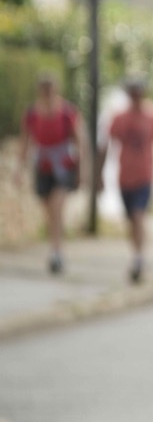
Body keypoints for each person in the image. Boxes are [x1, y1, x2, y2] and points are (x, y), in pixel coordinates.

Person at [98, 77, 153, 284]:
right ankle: (136, 254)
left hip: (145, 175)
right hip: (124, 177)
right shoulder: (119, 118)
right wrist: (99, 175)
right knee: (131, 220)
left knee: (139, 216)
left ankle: (139, 259)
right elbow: (106, 145)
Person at [17, 73, 84, 275]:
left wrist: (81, 170)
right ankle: (55, 247)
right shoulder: (32, 113)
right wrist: (19, 169)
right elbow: (25, 142)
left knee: (57, 206)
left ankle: (57, 252)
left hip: (63, 165)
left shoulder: (67, 112)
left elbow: (78, 141)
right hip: (43, 165)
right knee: (49, 211)